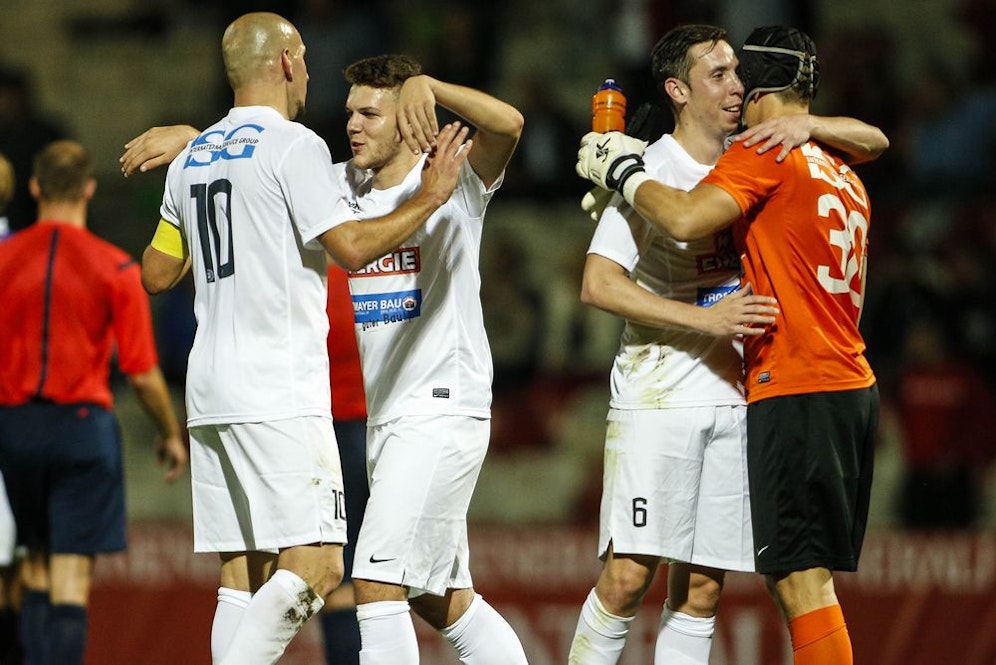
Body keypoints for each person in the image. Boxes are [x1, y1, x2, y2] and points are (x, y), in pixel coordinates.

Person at [135, 13, 477, 664]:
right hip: (278, 384)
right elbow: (351, 249)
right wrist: (429, 198)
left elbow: (156, 272)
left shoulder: (194, 158)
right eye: (308, 62)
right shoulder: (296, 146)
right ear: (288, 62)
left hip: (208, 387)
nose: (311, 77)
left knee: (243, 572)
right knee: (320, 565)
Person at [568, 24, 888, 665]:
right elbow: (597, 284)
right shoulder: (659, 166)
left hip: (745, 392)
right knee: (629, 577)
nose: (737, 86)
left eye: (741, 73)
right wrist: (704, 320)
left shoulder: (749, 154)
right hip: (661, 391)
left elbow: (873, 140)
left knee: (706, 589)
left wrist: (621, 172)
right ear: (677, 90)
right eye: (719, 74)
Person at [0, 139, 187, 665]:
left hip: (15, 429)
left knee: (33, 563)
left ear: (34, 187)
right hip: (82, 432)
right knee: (71, 576)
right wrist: (170, 433)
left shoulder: (3, 259)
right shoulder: (114, 268)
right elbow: (143, 374)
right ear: (88, 189)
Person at [320, 264, 370, 665]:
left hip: (323, 433)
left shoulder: (308, 278)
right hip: (373, 432)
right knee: (368, 570)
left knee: (332, 568)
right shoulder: (370, 274)